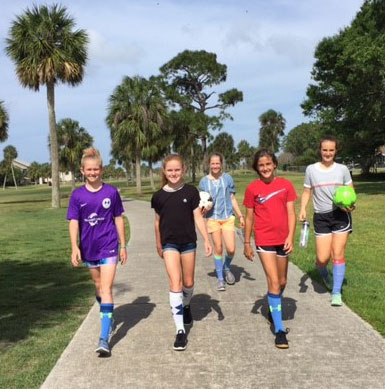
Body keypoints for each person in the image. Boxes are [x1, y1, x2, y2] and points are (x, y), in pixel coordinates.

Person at [67, 147, 127, 356]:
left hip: (109, 245)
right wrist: (75, 246)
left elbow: (118, 217)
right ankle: (107, 317)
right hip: (88, 248)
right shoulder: (77, 195)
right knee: (99, 285)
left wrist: (123, 245)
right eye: (89, 170)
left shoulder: (111, 192)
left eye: (96, 169)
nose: (93, 173)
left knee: (107, 288)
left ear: (102, 170)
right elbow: (74, 222)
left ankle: (103, 339)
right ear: (82, 171)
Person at [151, 154, 212, 351]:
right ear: (164, 172)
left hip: (188, 243)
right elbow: (157, 222)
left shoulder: (191, 192)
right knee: (175, 283)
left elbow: (197, 217)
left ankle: (186, 305)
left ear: (183, 170)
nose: (174, 173)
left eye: (177, 170)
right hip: (169, 244)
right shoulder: (159, 196)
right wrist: (159, 243)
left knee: (188, 283)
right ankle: (180, 332)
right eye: (170, 170)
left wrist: (206, 239)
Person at [243, 149, 297, 349]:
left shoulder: (286, 185)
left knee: (282, 281)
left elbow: (291, 213)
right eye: (261, 165)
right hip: (264, 240)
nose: (265, 168)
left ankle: (272, 307)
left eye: (268, 164)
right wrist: (247, 243)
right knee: (274, 282)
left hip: (283, 240)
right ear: (256, 168)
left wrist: (291, 236)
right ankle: (280, 330)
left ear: (274, 164)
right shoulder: (252, 189)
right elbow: (249, 217)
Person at [299, 136, 354, 307]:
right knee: (323, 258)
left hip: (340, 215)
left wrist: (351, 205)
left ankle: (336, 293)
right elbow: (307, 191)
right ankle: (323, 272)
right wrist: (302, 208)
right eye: (325, 150)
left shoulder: (343, 169)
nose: (328, 153)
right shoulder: (311, 170)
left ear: (335, 151)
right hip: (321, 216)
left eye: (331, 150)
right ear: (320, 150)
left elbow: (350, 191)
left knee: (338, 253)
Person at [199, 153, 245, 291]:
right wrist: (203, 209)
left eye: (217, 163)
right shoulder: (203, 182)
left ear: (221, 164)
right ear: (209, 164)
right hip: (212, 219)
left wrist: (240, 215)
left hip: (227, 218)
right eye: (212, 163)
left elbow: (232, 198)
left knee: (231, 249)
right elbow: (202, 202)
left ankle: (226, 267)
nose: (215, 166)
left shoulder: (228, 178)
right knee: (218, 248)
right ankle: (220, 279)